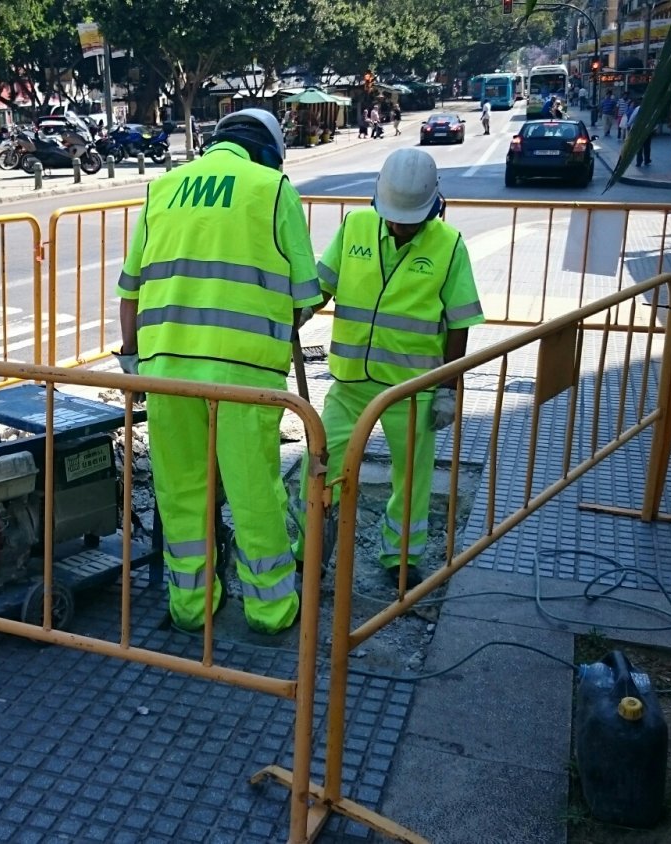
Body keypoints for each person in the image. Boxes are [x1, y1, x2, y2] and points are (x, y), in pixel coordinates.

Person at [114, 108, 321, 636]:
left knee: (181, 493)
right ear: (270, 150)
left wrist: (134, 359)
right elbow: (303, 298)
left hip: (164, 371)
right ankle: (270, 611)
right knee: (254, 494)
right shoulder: (272, 189)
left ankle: (190, 607)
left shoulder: (163, 188)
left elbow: (131, 290)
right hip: (245, 376)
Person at [292, 149, 484, 582]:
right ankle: (310, 550)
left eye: (410, 218)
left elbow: (459, 324)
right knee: (320, 465)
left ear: (434, 205)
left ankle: (401, 558)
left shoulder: (449, 246)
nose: (400, 224)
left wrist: (449, 387)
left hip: (411, 391)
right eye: (395, 215)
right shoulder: (355, 226)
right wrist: (301, 312)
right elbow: (324, 283)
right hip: (350, 381)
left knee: (412, 479)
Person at [630, 99, 652, 165]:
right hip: (647, 130)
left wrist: (628, 124)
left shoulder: (638, 108)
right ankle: (647, 160)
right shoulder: (651, 109)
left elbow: (633, 117)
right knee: (647, 146)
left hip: (639, 130)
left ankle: (639, 161)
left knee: (639, 146)